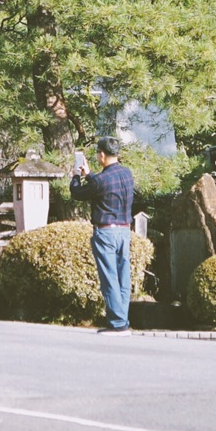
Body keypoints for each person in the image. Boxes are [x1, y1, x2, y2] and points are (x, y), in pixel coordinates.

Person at [71, 136, 136, 335]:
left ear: (101, 155)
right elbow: (103, 187)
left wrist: (76, 175)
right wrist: (90, 175)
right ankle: (122, 320)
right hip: (124, 230)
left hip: (106, 231)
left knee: (109, 278)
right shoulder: (127, 174)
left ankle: (117, 323)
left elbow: (77, 193)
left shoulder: (101, 180)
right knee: (123, 276)